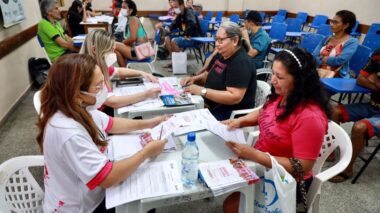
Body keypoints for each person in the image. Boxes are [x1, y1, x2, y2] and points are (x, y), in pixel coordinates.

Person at [36, 54, 167, 212]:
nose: (103, 90)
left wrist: (150, 123)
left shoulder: (76, 106)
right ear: (77, 93)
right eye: (98, 86)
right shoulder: (67, 132)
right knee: (145, 199)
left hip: (91, 192)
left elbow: (112, 124)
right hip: (82, 208)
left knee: (144, 192)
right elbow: (107, 178)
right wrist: (145, 153)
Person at [222, 47, 331, 212]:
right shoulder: (284, 94)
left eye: (279, 77)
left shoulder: (309, 117)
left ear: (299, 80)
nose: (272, 80)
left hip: (286, 179)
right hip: (263, 164)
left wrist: (254, 155)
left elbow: (302, 166)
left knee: (233, 207)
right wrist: (240, 122)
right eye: (273, 73)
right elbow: (264, 111)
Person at [181, 22, 256, 121]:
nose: (216, 44)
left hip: (230, 114)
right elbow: (207, 75)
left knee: (188, 122)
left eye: (221, 40)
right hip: (211, 104)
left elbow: (234, 97)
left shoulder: (241, 62)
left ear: (235, 40)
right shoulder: (222, 54)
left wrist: (202, 91)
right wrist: (193, 79)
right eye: (216, 39)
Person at [329, 48, 380, 183]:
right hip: (372, 106)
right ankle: (331, 152)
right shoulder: (378, 54)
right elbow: (360, 79)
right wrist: (375, 83)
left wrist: (373, 79)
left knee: (359, 127)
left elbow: (367, 78)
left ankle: (347, 169)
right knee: (334, 111)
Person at [80, 30, 160, 115]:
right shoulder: (92, 71)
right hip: (96, 114)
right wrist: (146, 94)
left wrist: (142, 73)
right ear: (95, 50)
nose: (113, 54)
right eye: (110, 50)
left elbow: (118, 71)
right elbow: (113, 102)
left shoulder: (98, 64)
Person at [313, 10, 358, 78]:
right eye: (332, 21)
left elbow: (340, 60)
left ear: (346, 25)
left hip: (337, 75)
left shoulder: (352, 42)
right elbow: (314, 55)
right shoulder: (327, 39)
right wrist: (323, 60)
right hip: (319, 71)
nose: (331, 24)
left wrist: (323, 59)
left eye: (335, 22)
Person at [161, 0, 201, 68]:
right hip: (186, 35)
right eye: (173, 7)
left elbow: (192, 24)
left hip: (193, 37)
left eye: (176, 7)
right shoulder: (180, 15)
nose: (175, 9)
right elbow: (174, 24)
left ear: (182, 5)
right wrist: (169, 28)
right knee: (167, 38)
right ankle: (174, 62)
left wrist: (186, 34)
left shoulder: (189, 12)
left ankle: (179, 66)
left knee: (174, 41)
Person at [114, 0, 150, 67]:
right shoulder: (132, 19)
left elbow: (133, 38)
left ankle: (124, 73)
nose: (122, 9)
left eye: (124, 7)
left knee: (113, 44)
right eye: (122, 7)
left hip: (141, 52)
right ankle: (125, 73)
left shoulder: (133, 20)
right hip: (143, 51)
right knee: (116, 51)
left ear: (130, 10)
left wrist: (123, 42)